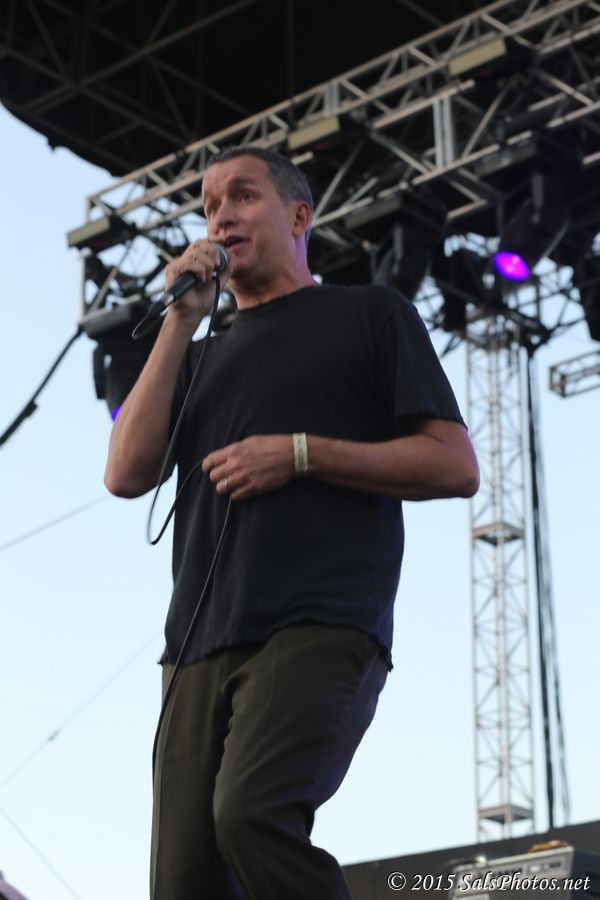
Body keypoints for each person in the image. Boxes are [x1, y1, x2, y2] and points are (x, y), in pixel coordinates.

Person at [104, 145, 479, 900]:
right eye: (209, 206)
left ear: (299, 215)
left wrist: (300, 453)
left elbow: (453, 464)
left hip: (319, 621)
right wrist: (179, 322)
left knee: (252, 813)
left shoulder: (370, 314)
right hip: (196, 644)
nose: (221, 217)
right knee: (183, 881)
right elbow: (125, 473)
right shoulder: (198, 358)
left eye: (242, 196)